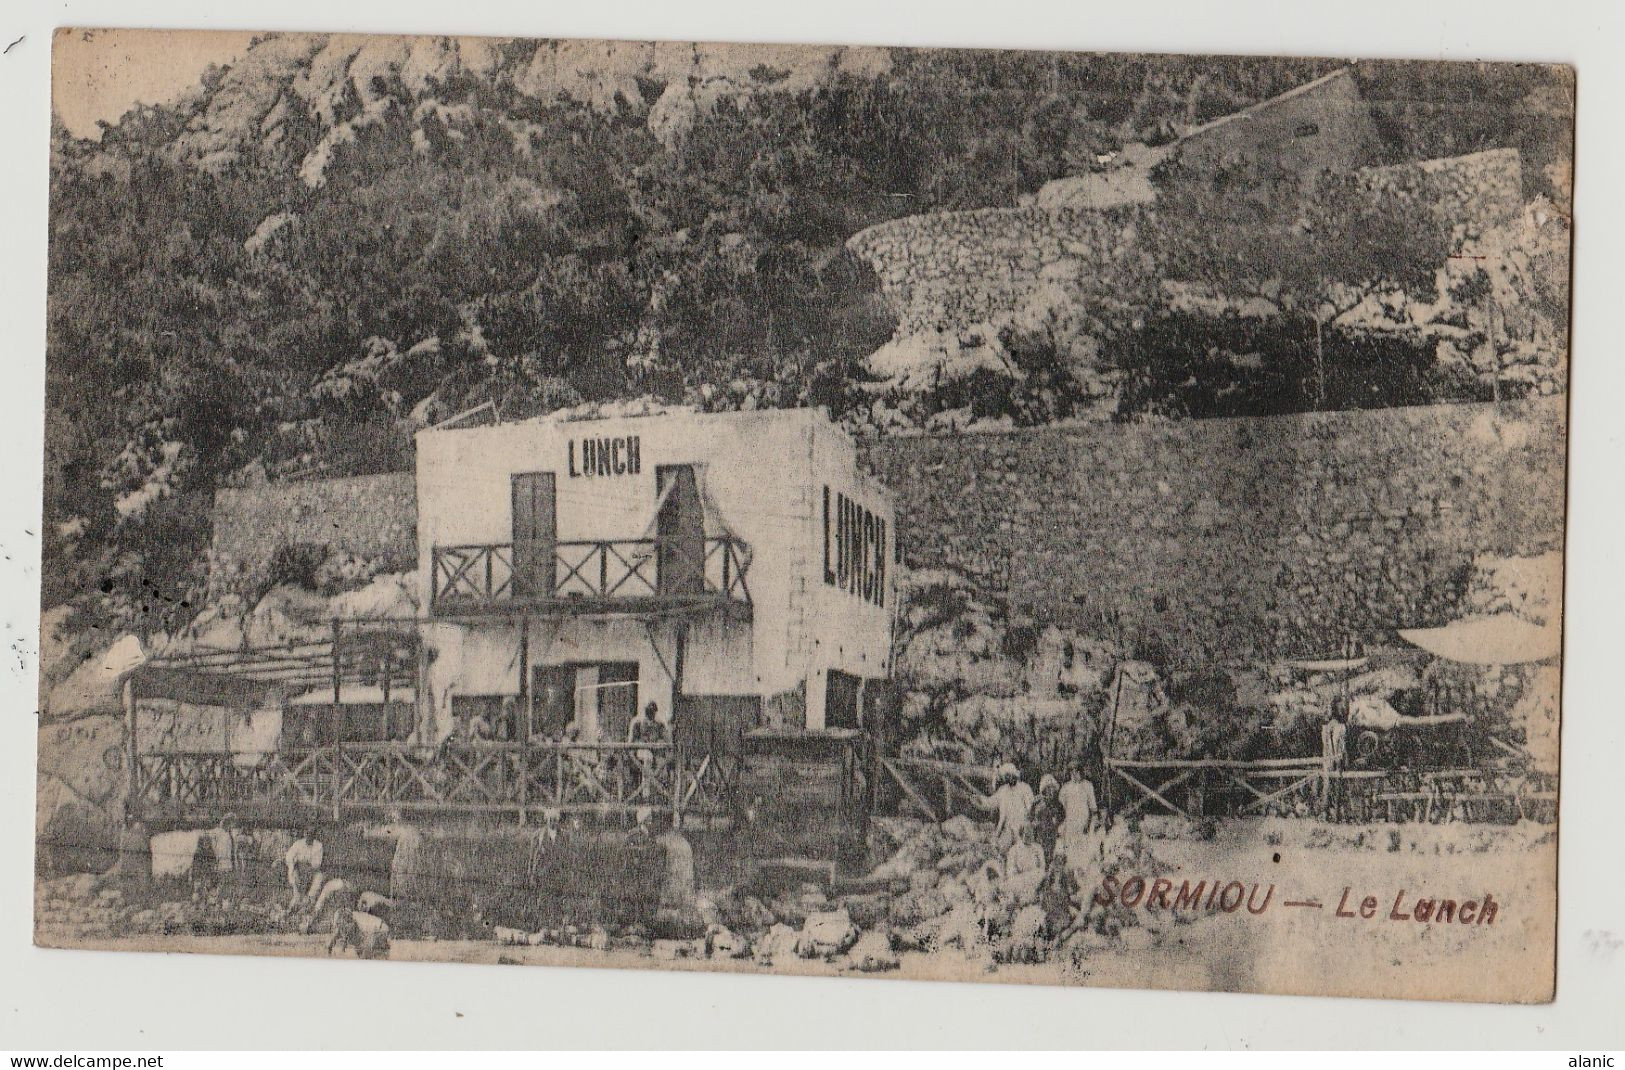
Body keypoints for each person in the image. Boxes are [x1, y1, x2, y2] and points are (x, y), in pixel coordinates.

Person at [974, 763, 1034, 850]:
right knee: (1001, 849)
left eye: (1009, 775)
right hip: (1008, 829)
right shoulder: (1003, 791)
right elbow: (991, 802)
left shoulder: (1024, 788)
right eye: (1006, 776)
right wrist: (979, 800)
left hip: (1022, 829)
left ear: (1014, 775)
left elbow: (1030, 808)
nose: (1008, 778)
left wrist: (1025, 825)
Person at [1058, 761, 1100, 873]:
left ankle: (1083, 872)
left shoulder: (1088, 785)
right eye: (1072, 771)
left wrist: (1090, 824)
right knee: (1070, 850)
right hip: (1070, 823)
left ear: (1081, 772)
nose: (1075, 774)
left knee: (1083, 850)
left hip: (1084, 823)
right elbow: (1061, 807)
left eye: (1077, 771)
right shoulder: (1065, 788)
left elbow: (1093, 808)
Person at [1029, 775, 1066, 862]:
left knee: (1051, 855)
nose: (1050, 790)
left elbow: (1063, 817)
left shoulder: (1058, 804)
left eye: (1052, 788)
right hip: (1039, 833)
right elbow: (1030, 816)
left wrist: (1058, 824)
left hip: (1052, 833)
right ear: (1044, 788)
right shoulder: (1037, 801)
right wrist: (1034, 823)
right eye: (1048, 788)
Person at [283, 829, 324, 907]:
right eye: (307, 833)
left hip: (311, 870)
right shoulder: (298, 844)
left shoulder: (318, 845)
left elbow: (317, 863)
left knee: (319, 877)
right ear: (305, 834)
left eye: (311, 833)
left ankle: (309, 899)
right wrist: (293, 865)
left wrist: (308, 867)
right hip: (298, 868)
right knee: (293, 873)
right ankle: (296, 896)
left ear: (314, 835)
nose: (309, 836)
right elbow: (289, 856)